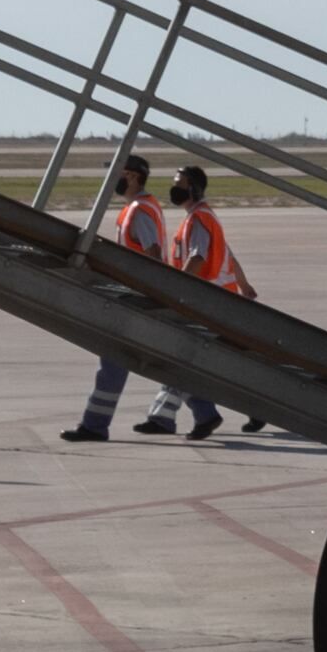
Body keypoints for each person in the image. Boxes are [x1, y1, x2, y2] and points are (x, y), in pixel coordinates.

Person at [62, 155, 211, 441]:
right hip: (139, 296)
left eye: (116, 173)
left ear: (132, 176)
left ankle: (94, 425)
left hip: (139, 299)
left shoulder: (140, 210)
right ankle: (204, 412)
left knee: (116, 360)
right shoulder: (139, 207)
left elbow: (152, 254)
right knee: (153, 359)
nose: (111, 180)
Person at [160, 165, 265, 438]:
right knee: (225, 364)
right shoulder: (202, 217)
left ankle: (203, 416)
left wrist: (176, 288)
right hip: (218, 301)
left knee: (189, 360)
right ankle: (253, 408)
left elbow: (198, 257)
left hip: (208, 303)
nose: (175, 188)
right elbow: (228, 254)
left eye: (179, 183)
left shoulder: (199, 220)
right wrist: (243, 284)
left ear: (193, 187)